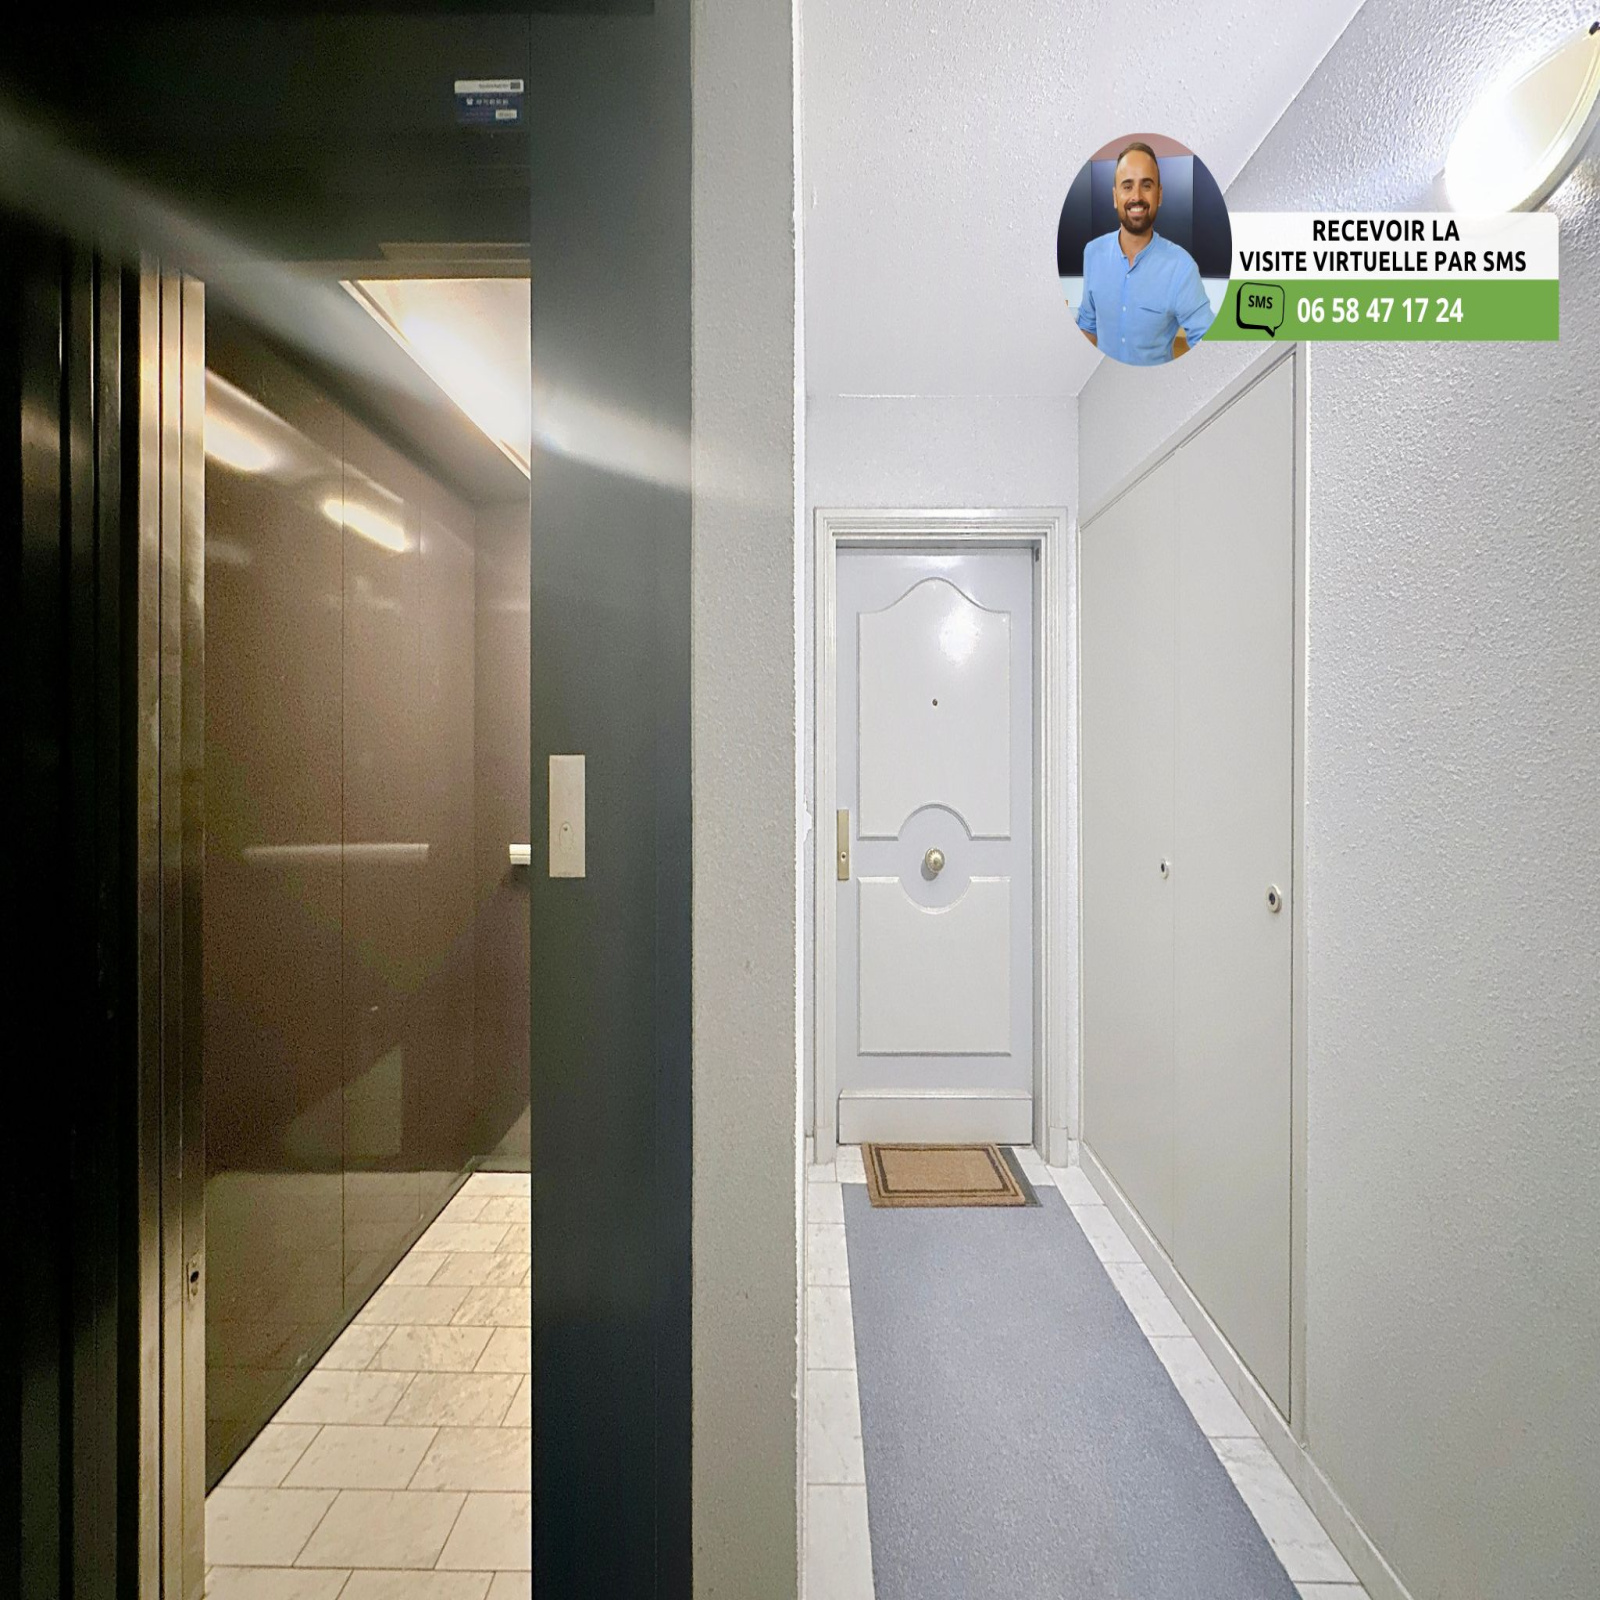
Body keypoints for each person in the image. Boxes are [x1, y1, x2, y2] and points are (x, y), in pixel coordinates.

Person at [1076, 142, 1215, 365]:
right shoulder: (1093, 253)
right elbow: (1088, 326)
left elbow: (1209, 344)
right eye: (1127, 186)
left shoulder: (1181, 267)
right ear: (1115, 197)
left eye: (1147, 185)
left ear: (1159, 195)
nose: (1137, 196)